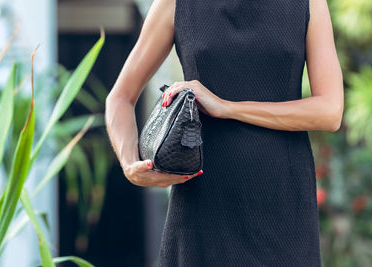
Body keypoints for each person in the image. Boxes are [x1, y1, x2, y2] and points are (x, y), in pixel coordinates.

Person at [105, 0, 343, 265]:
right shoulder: (176, 3)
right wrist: (130, 164)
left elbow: (330, 111)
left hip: (284, 211)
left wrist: (228, 108)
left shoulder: (309, 3)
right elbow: (120, 98)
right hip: (201, 212)